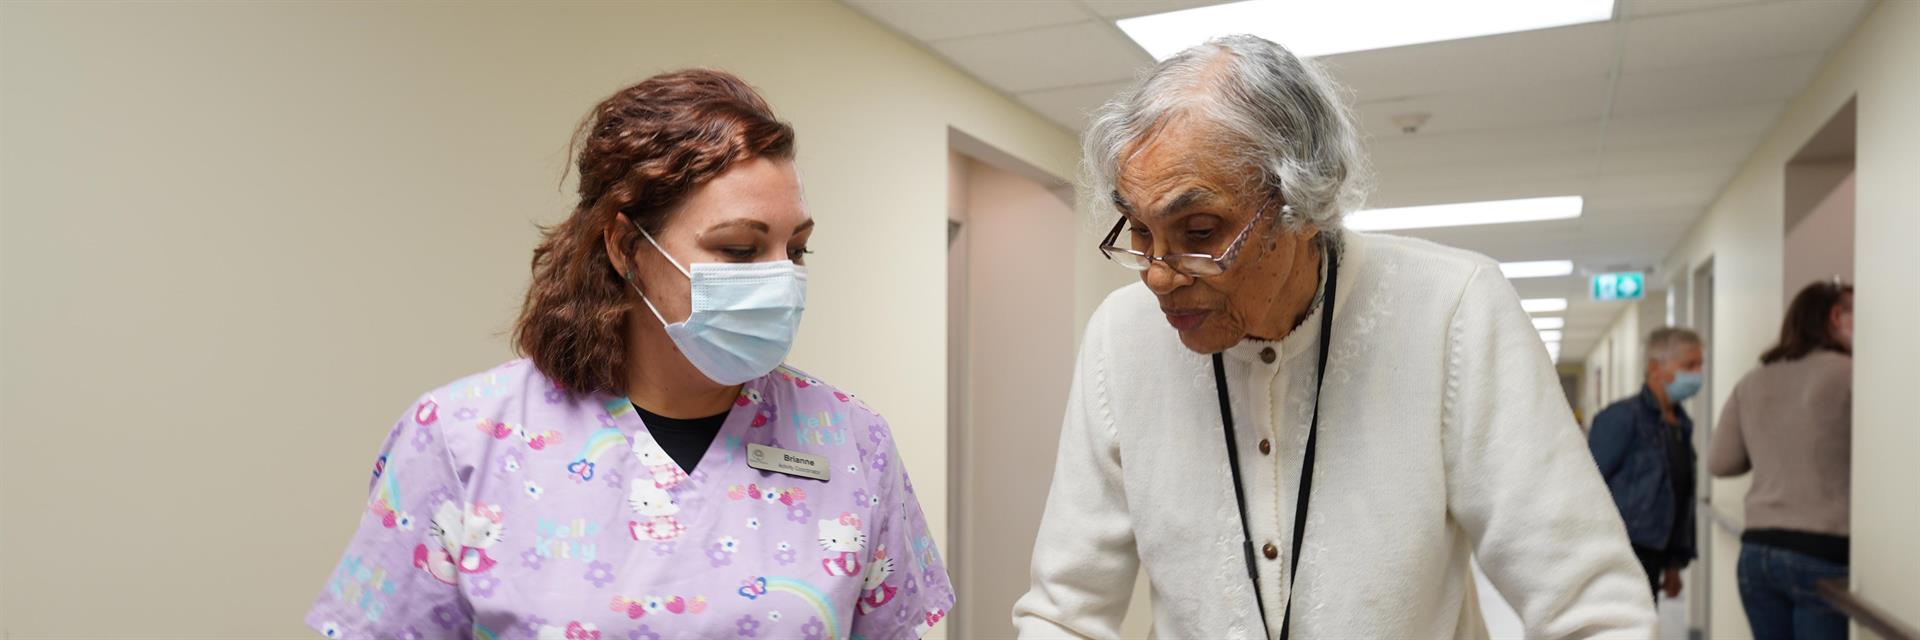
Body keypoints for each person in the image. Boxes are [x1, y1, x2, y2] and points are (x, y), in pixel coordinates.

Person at [1011, 35, 1653, 639]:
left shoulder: (1452, 309)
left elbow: (1590, 607)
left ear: (1301, 204)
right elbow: (1064, 610)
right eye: (1139, 231)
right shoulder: (1119, 339)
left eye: (1200, 232)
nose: (1157, 274)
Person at [305, 69, 953, 639]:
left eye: (797, 249)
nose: (781, 278)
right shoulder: (462, 439)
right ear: (625, 246)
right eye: (738, 249)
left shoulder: (851, 444)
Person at [1709, 280, 1853, 640]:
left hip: (1757, 552)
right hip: (1821, 553)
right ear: (1836, 316)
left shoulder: (1753, 382)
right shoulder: (1851, 373)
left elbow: (1721, 462)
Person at [1588, 328, 1704, 603]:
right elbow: (1589, 486)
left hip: (1656, 555)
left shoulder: (1680, 425)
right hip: (1622, 556)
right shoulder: (1622, 418)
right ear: (1654, 368)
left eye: (1701, 365)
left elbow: (1680, 495)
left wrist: (1674, 562)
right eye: (1690, 365)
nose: (1698, 374)